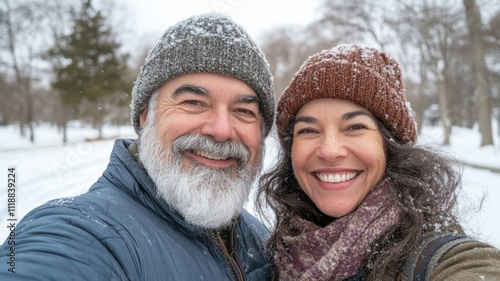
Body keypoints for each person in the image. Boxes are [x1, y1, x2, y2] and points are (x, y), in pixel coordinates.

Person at [0, 13, 275, 280]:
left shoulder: (261, 238)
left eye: (244, 111)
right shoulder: (89, 232)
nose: (222, 130)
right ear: (146, 116)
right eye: (193, 102)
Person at [257, 44, 500, 280]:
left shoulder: (438, 258)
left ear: (390, 145)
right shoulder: (273, 254)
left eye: (355, 127)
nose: (329, 151)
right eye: (308, 130)